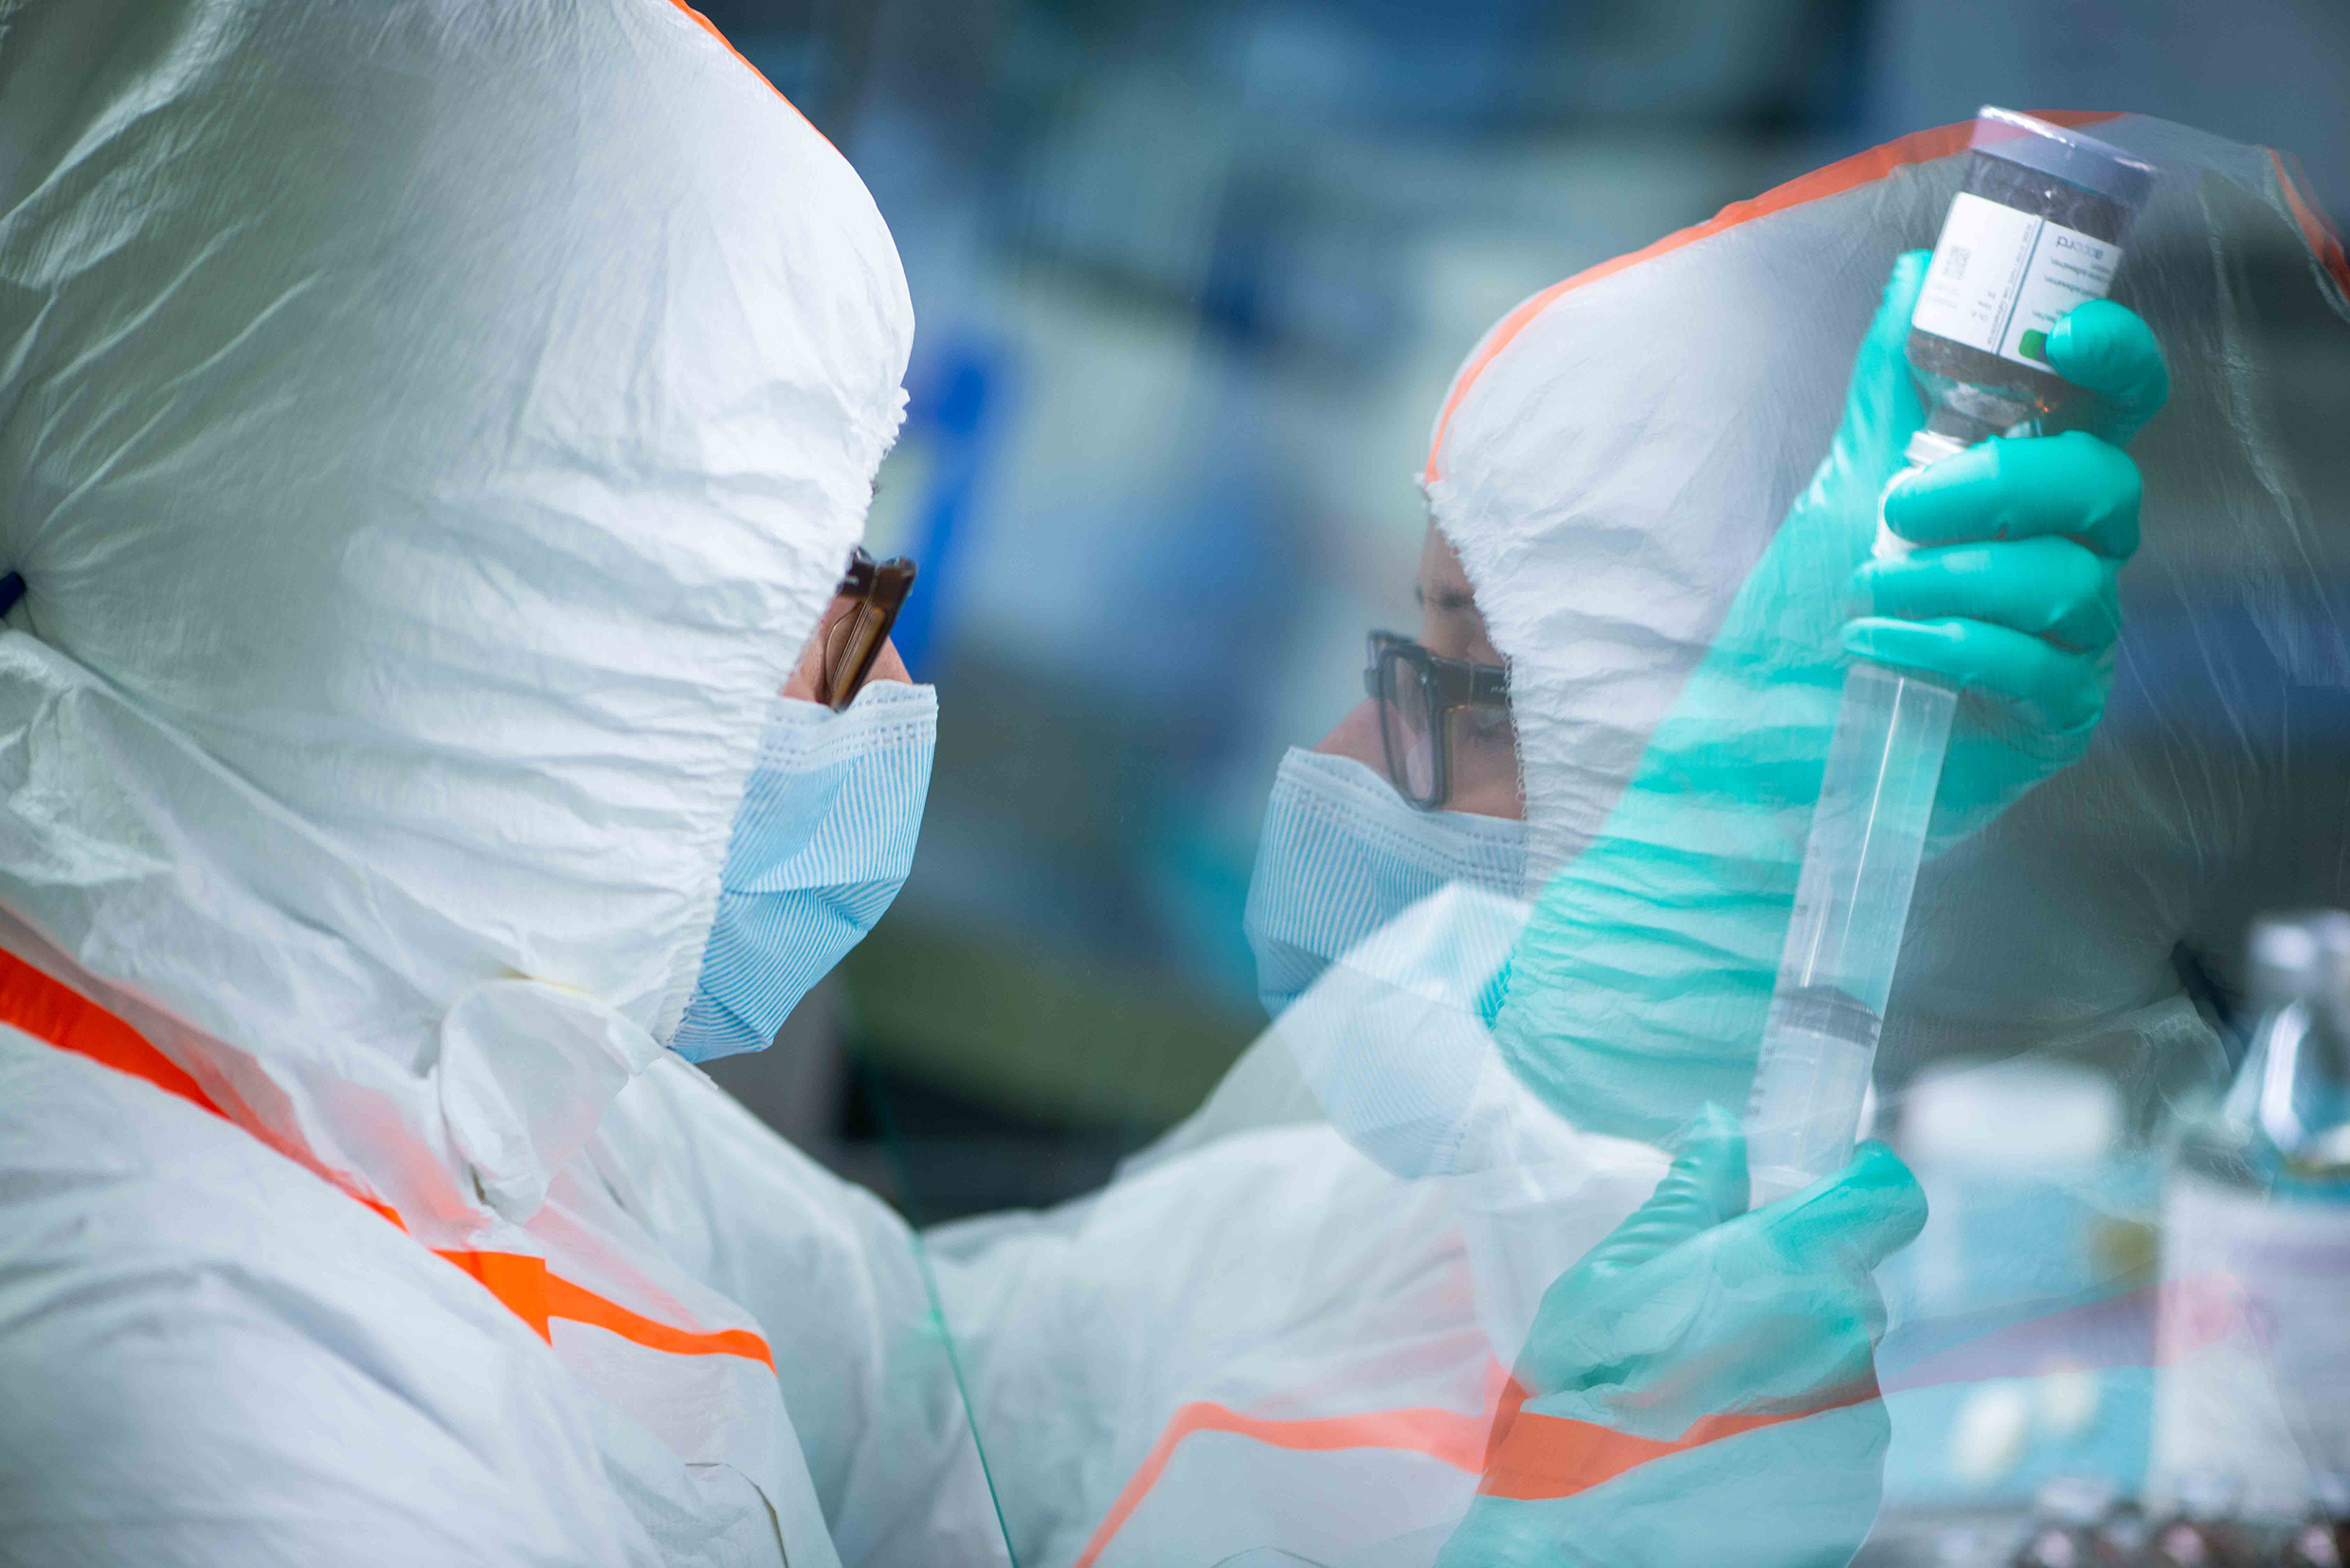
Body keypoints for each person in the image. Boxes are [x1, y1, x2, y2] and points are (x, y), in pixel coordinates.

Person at [0, 9, 2340, 1568]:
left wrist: (1622, 1057)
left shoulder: (402, 1071)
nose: (872, 688)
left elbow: (968, 1405)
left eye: (1461, 682)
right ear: (536, 628)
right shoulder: (182, 1395)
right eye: (825, 606)